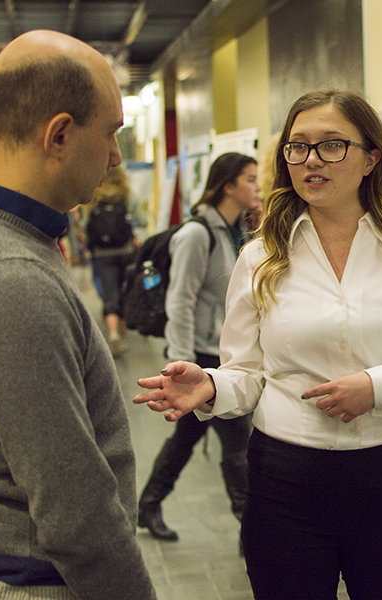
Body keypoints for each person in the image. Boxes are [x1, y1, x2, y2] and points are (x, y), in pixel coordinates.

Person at [134, 89, 382, 599]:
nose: (311, 160)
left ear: (371, 158)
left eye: (332, 145)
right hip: (284, 483)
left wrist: (378, 388)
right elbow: (248, 373)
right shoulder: (260, 257)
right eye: (297, 147)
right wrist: (209, 385)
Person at [0, 30, 156, 600]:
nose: (117, 156)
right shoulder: (4, 274)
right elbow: (76, 512)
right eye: (112, 132)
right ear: (60, 135)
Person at [138, 152, 260, 541]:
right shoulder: (197, 234)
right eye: (250, 180)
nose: (257, 187)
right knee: (238, 444)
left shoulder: (233, 229)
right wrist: (180, 364)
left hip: (221, 354)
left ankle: (148, 504)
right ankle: (251, 528)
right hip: (201, 359)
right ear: (228, 186)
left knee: (186, 439)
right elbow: (180, 300)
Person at [86, 165, 136, 356]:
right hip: (125, 251)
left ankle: (113, 333)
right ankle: (123, 339)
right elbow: (139, 219)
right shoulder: (126, 194)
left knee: (110, 293)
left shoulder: (94, 196)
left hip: (102, 254)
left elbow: (85, 225)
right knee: (124, 291)